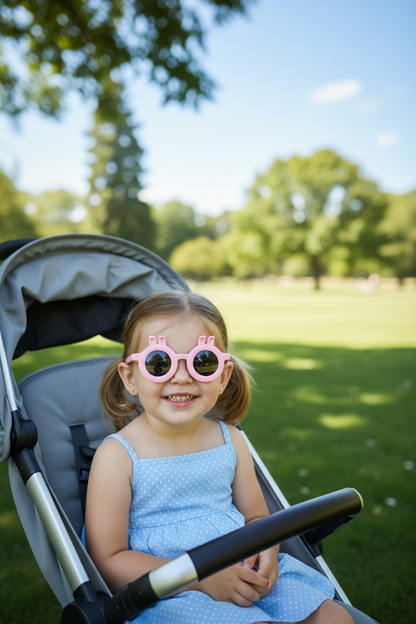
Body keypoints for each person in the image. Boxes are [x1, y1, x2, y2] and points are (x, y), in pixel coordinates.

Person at [84, 291, 354, 624]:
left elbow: (257, 519)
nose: (182, 377)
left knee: (335, 618)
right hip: (170, 592)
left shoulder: (231, 440)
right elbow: (108, 559)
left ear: (223, 376)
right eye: (159, 362)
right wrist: (201, 580)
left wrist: (267, 551)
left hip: (245, 570)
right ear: (131, 378)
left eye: (202, 362)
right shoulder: (118, 455)